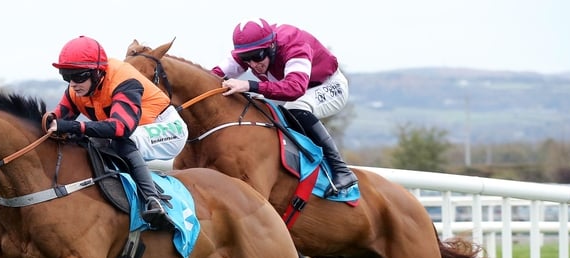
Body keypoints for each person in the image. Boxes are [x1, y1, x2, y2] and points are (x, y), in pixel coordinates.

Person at [46, 35, 188, 229]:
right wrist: (46, 122)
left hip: (168, 128)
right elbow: (57, 119)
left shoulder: (124, 81)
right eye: (66, 76)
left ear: (97, 73)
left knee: (121, 141)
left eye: (78, 76)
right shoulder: (78, 89)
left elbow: (121, 128)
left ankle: (153, 201)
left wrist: (74, 127)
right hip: (132, 130)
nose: (72, 84)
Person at [212, 18, 358, 196]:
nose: (252, 65)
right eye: (245, 59)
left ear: (272, 46)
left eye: (257, 56)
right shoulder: (252, 50)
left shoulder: (294, 44)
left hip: (328, 86)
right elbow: (211, 76)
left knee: (296, 106)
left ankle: (341, 170)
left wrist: (249, 85)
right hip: (292, 90)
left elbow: (295, 89)